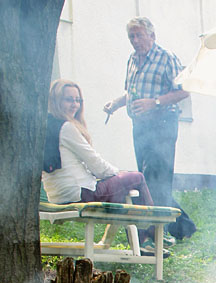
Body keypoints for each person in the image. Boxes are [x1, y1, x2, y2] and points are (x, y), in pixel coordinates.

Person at [42, 79, 166, 255]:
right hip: (79, 193)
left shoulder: (47, 125)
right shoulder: (67, 127)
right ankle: (151, 235)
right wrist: (119, 174)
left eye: (78, 100)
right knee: (136, 177)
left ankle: (133, 240)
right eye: (68, 99)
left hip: (57, 194)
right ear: (55, 101)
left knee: (121, 187)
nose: (74, 105)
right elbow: (97, 166)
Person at [103, 16, 196, 241]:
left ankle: (161, 232)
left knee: (158, 179)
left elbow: (184, 91)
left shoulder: (166, 58)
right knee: (147, 179)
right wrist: (115, 104)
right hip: (140, 127)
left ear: (152, 36)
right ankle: (183, 228)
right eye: (131, 36)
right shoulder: (132, 60)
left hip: (163, 124)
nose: (135, 40)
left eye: (139, 35)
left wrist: (154, 102)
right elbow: (132, 93)